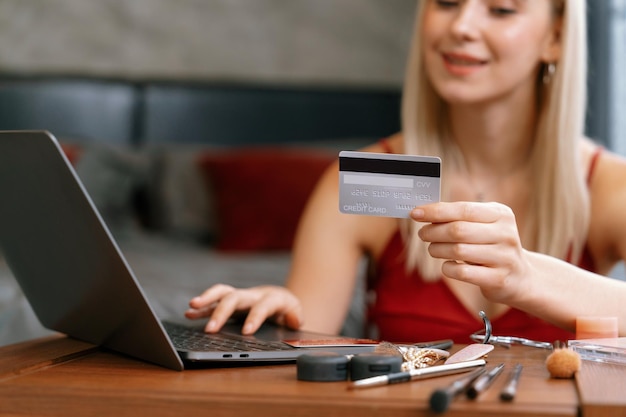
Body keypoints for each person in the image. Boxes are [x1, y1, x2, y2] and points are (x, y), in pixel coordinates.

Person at [185, 0, 626, 343]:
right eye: (447, 3)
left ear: (556, 36)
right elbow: (306, 335)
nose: (461, 27)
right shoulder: (374, 176)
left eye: (501, 9)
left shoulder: (607, 186)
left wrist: (527, 277)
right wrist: (279, 315)